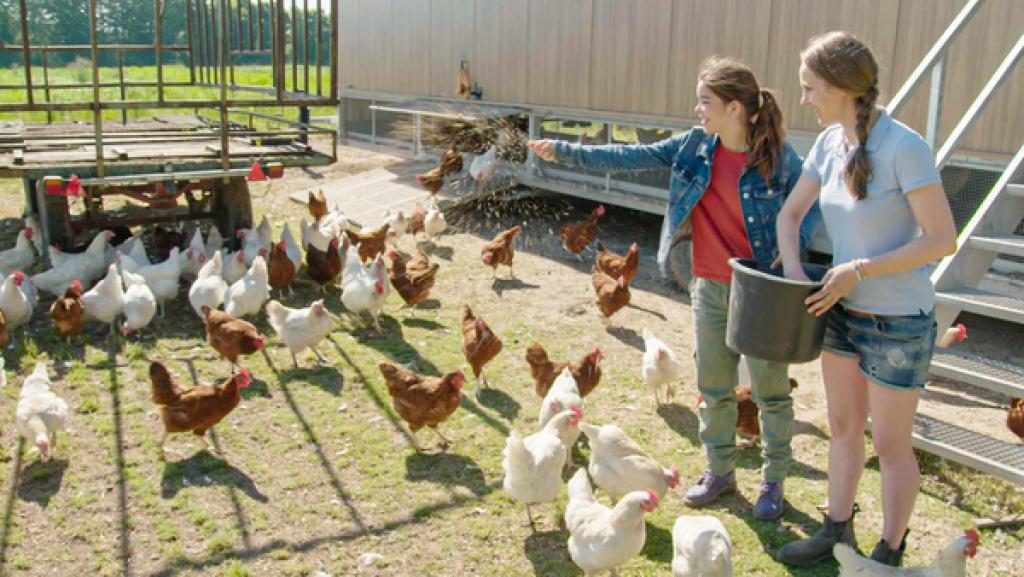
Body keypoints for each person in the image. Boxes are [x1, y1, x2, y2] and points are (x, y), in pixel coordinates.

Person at [528, 56, 821, 520]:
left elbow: (812, 212)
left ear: (735, 108)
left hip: (761, 291)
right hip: (709, 286)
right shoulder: (693, 147)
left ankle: (772, 481)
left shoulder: (778, 157)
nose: (697, 110)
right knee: (714, 387)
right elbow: (627, 157)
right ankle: (720, 471)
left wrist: (790, 256)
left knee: (769, 392)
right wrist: (563, 151)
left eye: (706, 101)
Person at [774, 31, 956, 567]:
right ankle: (836, 530)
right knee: (842, 427)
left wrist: (858, 269)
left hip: (898, 319)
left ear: (840, 88)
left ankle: (889, 550)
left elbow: (942, 240)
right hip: (842, 310)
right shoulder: (831, 144)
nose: (804, 98)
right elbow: (790, 215)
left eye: (810, 88)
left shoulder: (904, 146)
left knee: (891, 445)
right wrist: (791, 271)